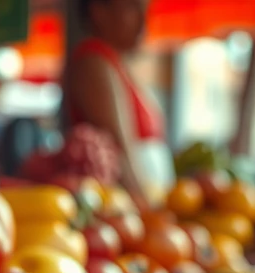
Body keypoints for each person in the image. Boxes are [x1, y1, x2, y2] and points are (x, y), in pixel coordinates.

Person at [64, 0, 174, 211]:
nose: (142, 20)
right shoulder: (94, 61)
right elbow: (118, 148)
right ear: (99, 11)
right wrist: (147, 210)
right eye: (131, 7)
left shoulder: (116, 64)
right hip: (123, 209)